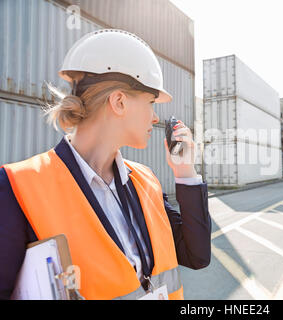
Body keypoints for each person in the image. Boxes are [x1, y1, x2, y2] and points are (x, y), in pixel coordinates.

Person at [0, 29, 211, 300]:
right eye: (150, 103)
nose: (155, 117)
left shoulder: (145, 180)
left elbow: (196, 255)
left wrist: (186, 172)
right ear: (119, 102)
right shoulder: (17, 186)